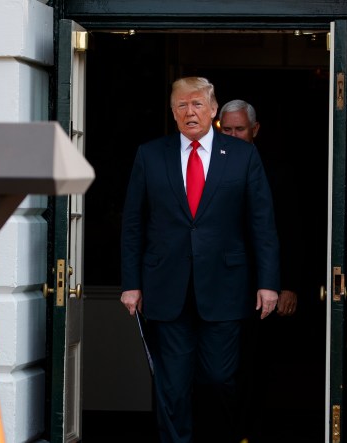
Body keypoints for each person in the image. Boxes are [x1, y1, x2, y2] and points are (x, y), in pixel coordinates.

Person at [120, 77, 281, 443]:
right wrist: (131, 283)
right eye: (181, 105)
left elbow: (263, 225)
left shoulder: (242, 155)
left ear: (213, 110)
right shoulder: (150, 154)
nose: (189, 111)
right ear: (173, 112)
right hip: (166, 289)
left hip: (225, 288)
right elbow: (133, 224)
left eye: (197, 104)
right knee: (172, 384)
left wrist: (268, 283)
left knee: (219, 379)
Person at [219, 99, 304, 442]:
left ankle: (249, 433)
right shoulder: (204, 167)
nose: (234, 135)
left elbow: (293, 232)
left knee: (254, 365)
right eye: (227, 129)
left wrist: (288, 285)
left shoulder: (276, 173)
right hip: (219, 288)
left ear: (255, 131)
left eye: (240, 129)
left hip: (261, 290)